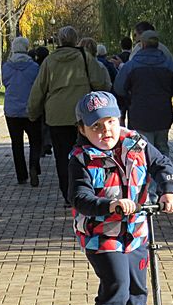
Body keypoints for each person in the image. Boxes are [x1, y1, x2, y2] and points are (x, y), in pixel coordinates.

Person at [69, 91, 173, 305]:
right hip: (101, 235)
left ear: (119, 119)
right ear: (82, 130)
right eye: (96, 126)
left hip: (136, 232)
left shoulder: (136, 144)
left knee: (138, 288)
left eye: (110, 122)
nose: (105, 130)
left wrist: (168, 190)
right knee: (117, 283)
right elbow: (80, 198)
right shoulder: (82, 159)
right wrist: (111, 205)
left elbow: (162, 164)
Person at [27, 26, 111, 204]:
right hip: (83, 115)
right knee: (87, 153)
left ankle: (68, 194)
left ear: (59, 40)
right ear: (75, 40)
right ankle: (88, 190)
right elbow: (100, 82)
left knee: (62, 156)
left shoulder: (49, 61)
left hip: (57, 116)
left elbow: (38, 89)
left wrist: (33, 112)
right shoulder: (85, 58)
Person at [114, 30, 173, 157]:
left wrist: (131, 95)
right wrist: (167, 92)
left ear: (142, 45)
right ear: (158, 44)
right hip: (163, 114)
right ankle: (162, 169)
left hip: (138, 115)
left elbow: (119, 88)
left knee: (137, 151)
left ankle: (140, 169)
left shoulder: (131, 66)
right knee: (162, 149)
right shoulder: (169, 65)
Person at [1, 36, 42, 186]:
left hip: (12, 110)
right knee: (35, 141)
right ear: (26, 48)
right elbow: (38, 85)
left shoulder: (6, 67)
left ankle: (21, 175)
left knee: (16, 143)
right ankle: (33, 166)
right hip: (30, 109)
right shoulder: (34, 67)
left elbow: (5, 82)